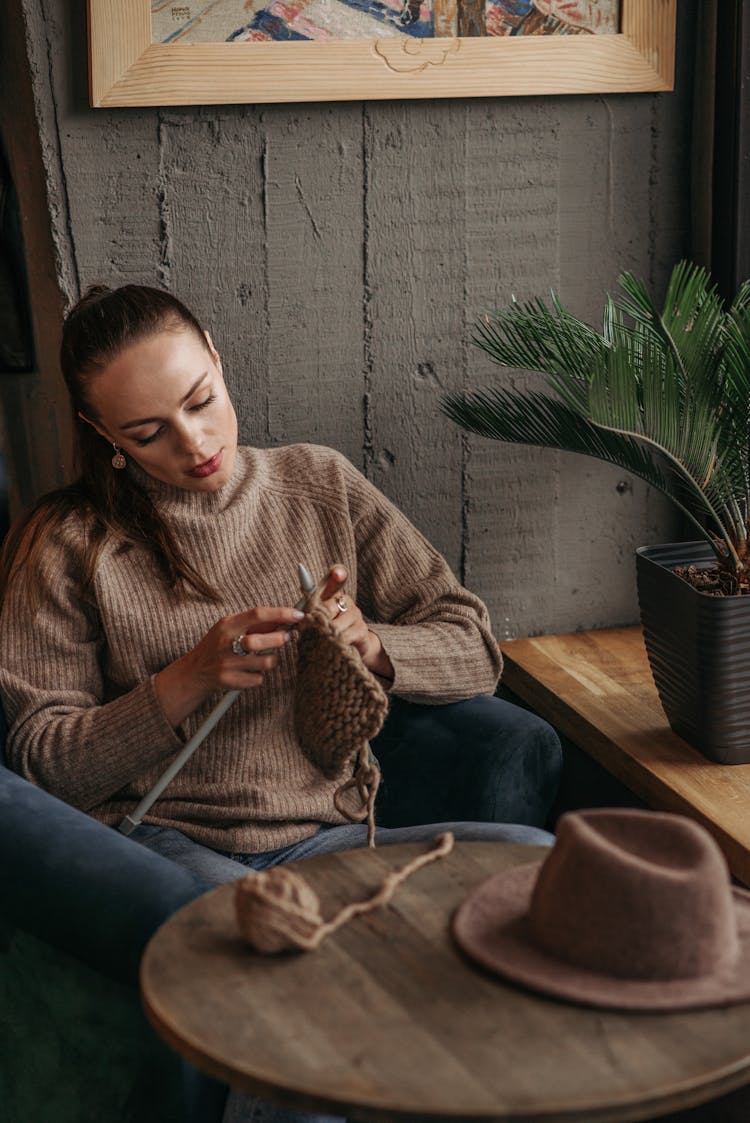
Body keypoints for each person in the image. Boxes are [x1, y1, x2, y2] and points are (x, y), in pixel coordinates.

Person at [0, 284, 561, 1123]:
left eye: (200, 400)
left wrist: (370, 644)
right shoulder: (69, 544)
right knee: (289, 999)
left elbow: (474, 643)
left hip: (337, 841)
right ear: (101, 433)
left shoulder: (317, 485)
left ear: (219, 361)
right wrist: (185, 679)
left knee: (542, 866)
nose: (193, 442)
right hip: (173, 852)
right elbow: (42, 759)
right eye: (148, 431)